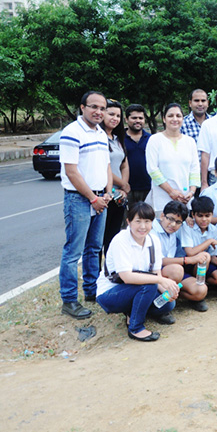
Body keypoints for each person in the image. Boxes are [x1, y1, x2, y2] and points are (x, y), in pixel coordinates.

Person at [58, 91, 113, 319]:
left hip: (101, 198)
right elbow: (72, 171)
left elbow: (107, 167)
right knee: (74, 252)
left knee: (94, 248)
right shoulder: (72, 132)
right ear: (82, 107)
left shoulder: (100, 132)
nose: (98, 111)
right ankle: (69, 300)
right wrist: (93, 198)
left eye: (102, 108)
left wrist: (108, 193)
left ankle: (92, 291)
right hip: (79, 199)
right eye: (94, 107)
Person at [96, 202, 181, 342]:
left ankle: (132, 311)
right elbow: (127, 277)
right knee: (149, 284)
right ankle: (135, 327)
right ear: (128, 222)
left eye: (147, 221)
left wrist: (167, 290)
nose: (143, 226)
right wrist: (160, 281)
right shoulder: (121, 240)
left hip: (136, 289)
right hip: (110, 294)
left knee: (167, 303)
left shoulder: (153, 240)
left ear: (152, 223)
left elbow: (156, 273)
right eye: (138, 221)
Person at [152, 201, 208, 314]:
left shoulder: (174, 231)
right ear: (162, 215)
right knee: (176, 270)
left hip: (168, 274)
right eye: (170, 219)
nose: (173, 225)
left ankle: (174, 295)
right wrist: (188, 260)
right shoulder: (152, 230)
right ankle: (160, 305)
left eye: (178, 222)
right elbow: (159, 260)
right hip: (153, 273)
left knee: (201, 290)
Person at [145, 103, 200, 213]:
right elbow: (152, 169)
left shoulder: (190, 142)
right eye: (170, 116)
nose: (175, 119)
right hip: (162, 198)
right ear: (164, 119)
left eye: (178, 116)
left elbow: (194, 169)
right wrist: (171, 192)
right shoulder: (155, 140)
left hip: (185, 199)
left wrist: (191, 192)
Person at [181, 196, 217, 291]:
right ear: (193, 215)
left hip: (204, 264)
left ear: (212, 215)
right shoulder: (187, 227)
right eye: (200, 216)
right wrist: (209, 241)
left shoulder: (213, 229)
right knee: (205, 256)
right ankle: (197, 282)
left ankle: (205, 283)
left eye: (207, 216)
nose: (204, 219)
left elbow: (213, 255)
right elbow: (190, 252)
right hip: (188, 263)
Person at [101, 99, 129, 255]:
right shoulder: (98, 137)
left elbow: (124, 164)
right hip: (105, 193)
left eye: (118, 116)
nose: (115, 118)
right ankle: (96, 273)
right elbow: (104, 168)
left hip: (119, 195)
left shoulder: (118, 139)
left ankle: (110, 270)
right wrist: (123, 185)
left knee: (113, 235)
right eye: (111, 114)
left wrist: (124, 186)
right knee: (100, 237)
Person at [124, 104, 151, 205]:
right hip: (126, 189)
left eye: (141, 118)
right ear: (126, 119)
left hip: (148, 188)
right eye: (134, 118)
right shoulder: (119, 139)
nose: (138, 120)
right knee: (127, 219)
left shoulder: (151, 139)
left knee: (147, 219)